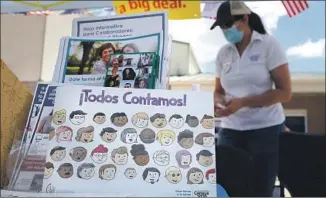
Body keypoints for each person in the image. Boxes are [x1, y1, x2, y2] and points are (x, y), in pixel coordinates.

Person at [210, 1, 292, 197]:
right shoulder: (223, 53)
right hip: (230, 130)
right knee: (227, 187)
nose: (225, 30)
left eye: (228, 24)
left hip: (266, 130)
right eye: (221, 26)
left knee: (260, 189)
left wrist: (243, 103)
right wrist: (218, 102)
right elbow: (218, 91)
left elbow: (284, 92)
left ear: (245, 19)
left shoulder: (268, 45)